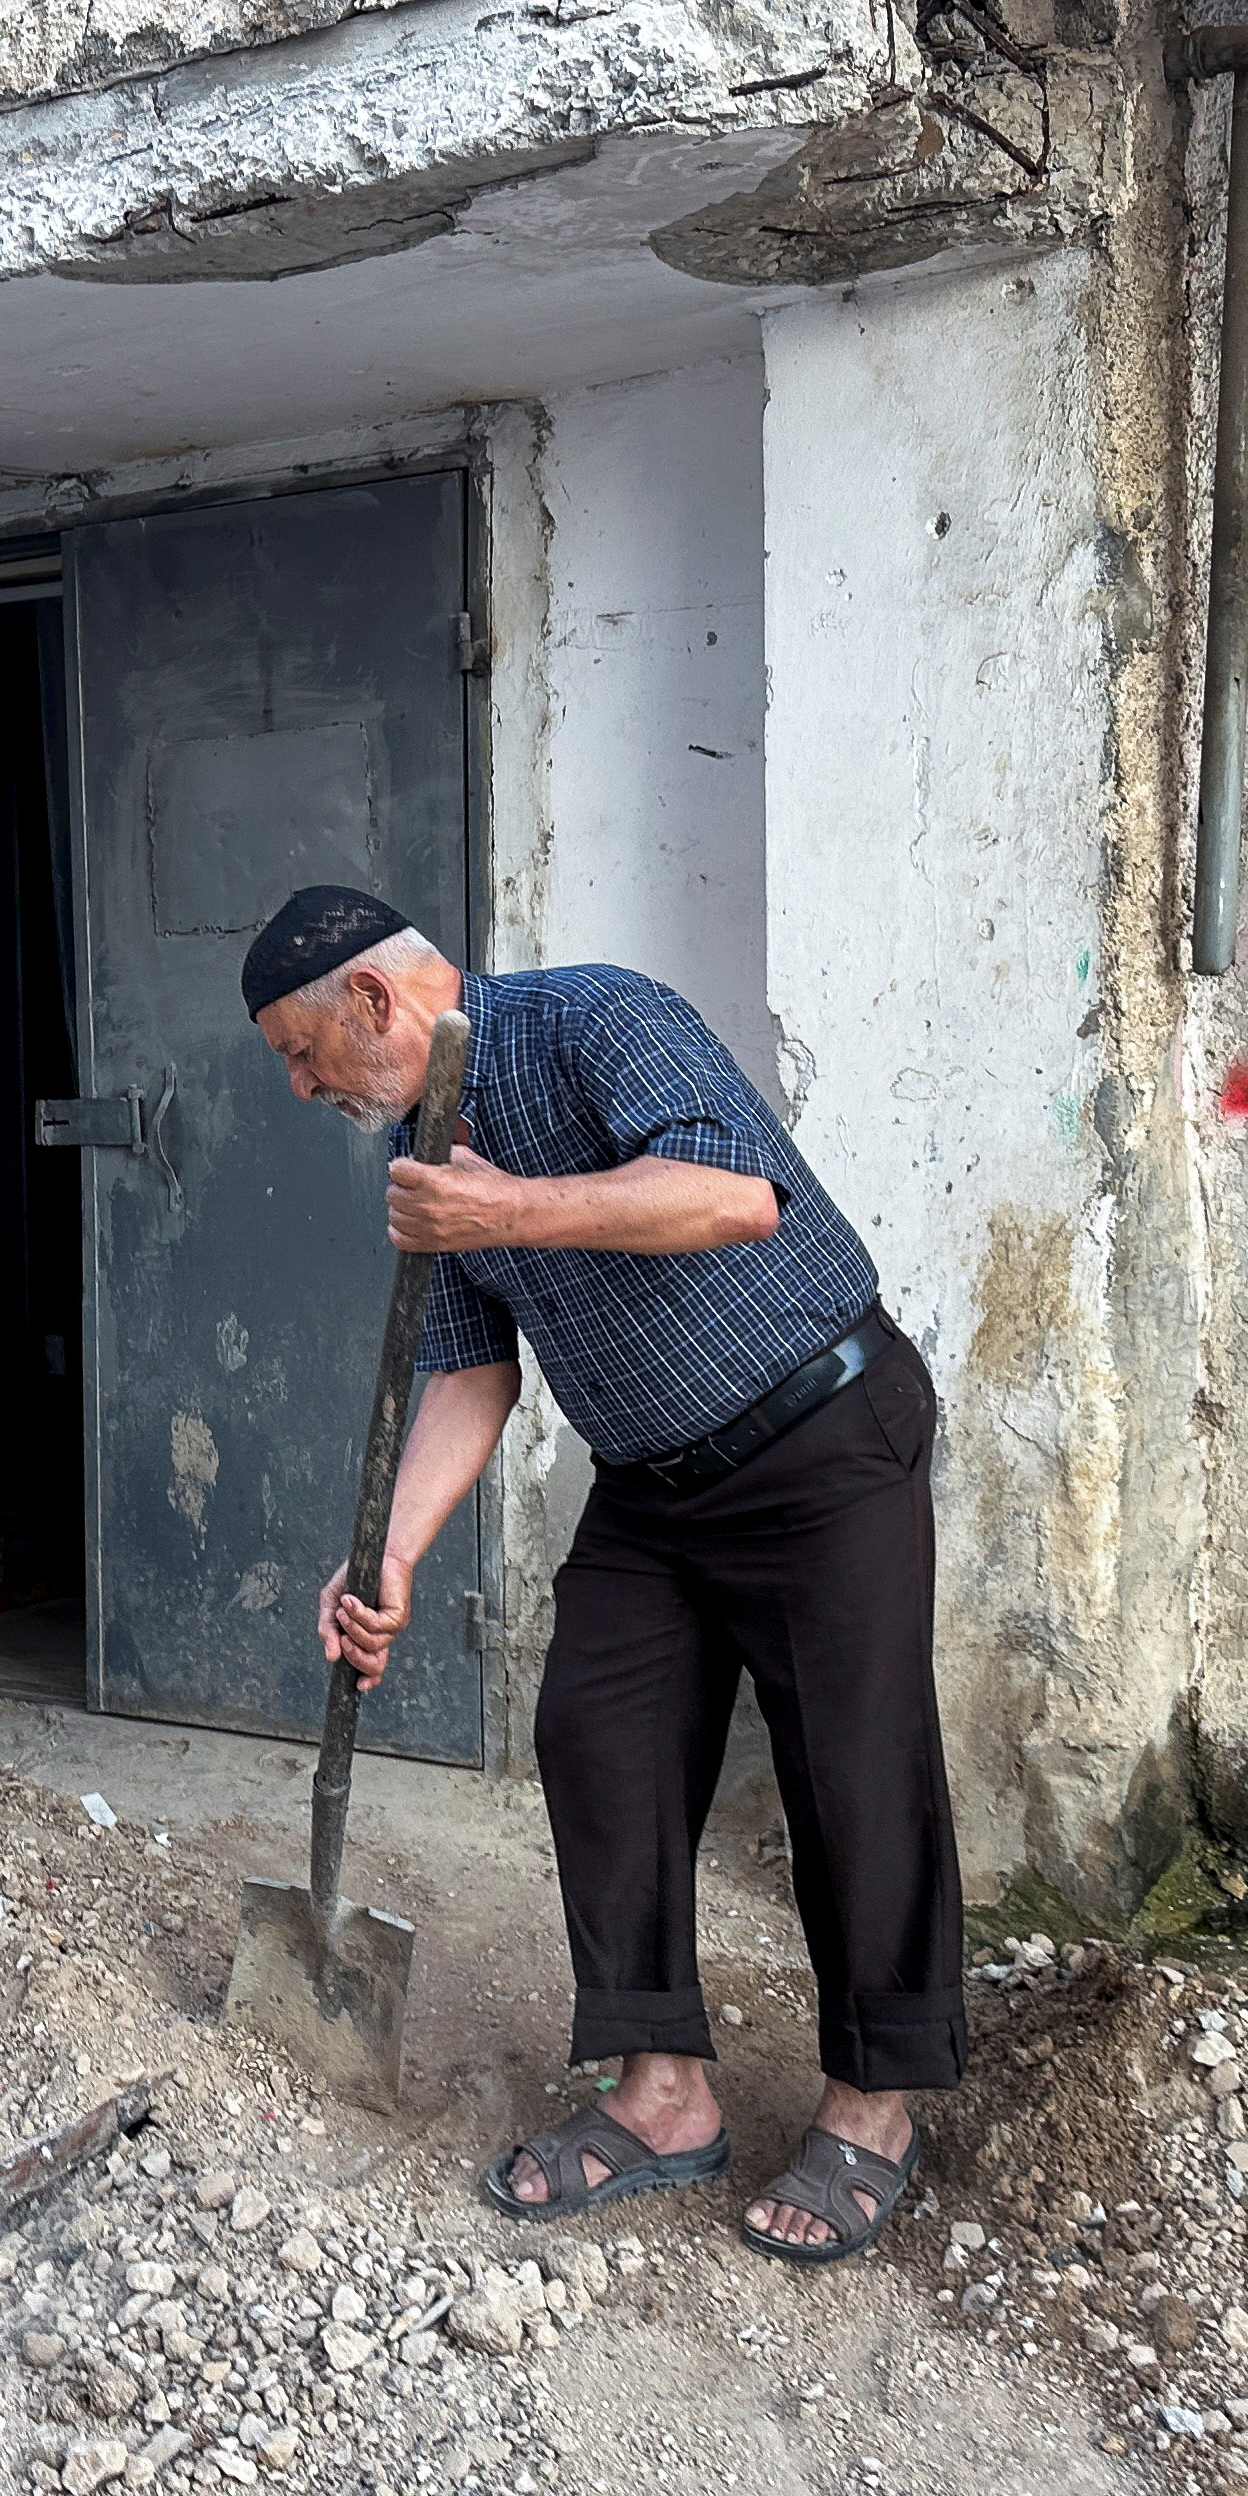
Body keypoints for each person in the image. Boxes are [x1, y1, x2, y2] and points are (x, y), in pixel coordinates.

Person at [239, 884, 964, 2265]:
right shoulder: (422, 1144)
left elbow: (733, 1197)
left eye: (301, 1051)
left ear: (373, 1000)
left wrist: (509, 1207)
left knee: (854, 1765)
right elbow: (470, 1371)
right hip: (652, 1483)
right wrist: (388, 1556)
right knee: (596, 1733)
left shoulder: (592, 1017)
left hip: (821, 1435)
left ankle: (874, 2104)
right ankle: (664, 2092)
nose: (298, 1086)